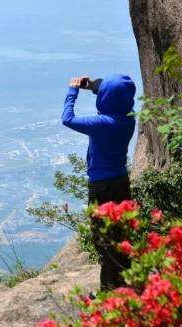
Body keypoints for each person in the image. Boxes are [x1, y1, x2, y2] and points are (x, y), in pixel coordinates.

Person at [62, 74, 137, 290]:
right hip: (121, 182)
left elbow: (67, 119)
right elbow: (115, 94)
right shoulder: (128, 118)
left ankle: (110, 290)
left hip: (102, 187)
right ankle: (125, 282)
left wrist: (72, 91)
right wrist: (92, 86)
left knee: (103, 239)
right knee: (120, 234)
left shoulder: (102, 123)